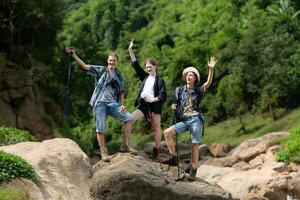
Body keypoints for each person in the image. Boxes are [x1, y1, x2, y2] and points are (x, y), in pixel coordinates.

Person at [64, 47, 137, 162]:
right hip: (100, 103)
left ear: (117, 62)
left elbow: (121, 92)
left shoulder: (119, 75)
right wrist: (74, 55)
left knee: (130, 118)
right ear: (107, 61)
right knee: (100, 129)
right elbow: (85, 66)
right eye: (110, 60)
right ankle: (103, 152)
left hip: (113, 104)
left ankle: (126, 145)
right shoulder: (101, 70)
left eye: (114, 60)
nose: (112, 62)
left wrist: (122, 104)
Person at [163, 57, 217, 181]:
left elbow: (208, 83)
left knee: (194, 145)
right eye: (187, 75)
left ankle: (194, 169)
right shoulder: (179, 90)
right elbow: (175, 103)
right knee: (167, 133)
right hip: (184, 120)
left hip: (195, 119)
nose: (189, 76)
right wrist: (173, 106)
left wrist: (210, 69)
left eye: (191, 75)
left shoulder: (198, 91)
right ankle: (173, 157)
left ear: (195, 79)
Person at [128, 40, 167, 160]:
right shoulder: (144, 77)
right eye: (147, 67)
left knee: (156, 127)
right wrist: (130, 50)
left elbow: (163, 94)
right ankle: (126, 143)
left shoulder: (160, 80)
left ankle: (157, 148)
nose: (148, 69)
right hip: (143, 105)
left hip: (154, 105)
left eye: (150, 67)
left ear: (155, 67)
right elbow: (136, 65)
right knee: (129, 119)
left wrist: (153, 100)